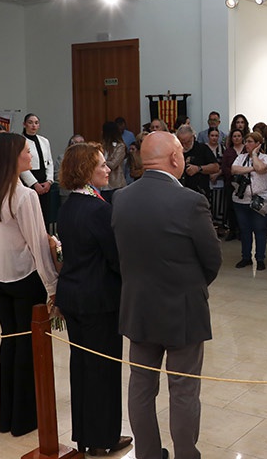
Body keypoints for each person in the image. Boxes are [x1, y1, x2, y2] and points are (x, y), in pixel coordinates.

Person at [112, 132, 222, 459]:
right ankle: (186, 454)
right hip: (182, 309)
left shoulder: (122, 197)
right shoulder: (190, 201)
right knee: (184, 389)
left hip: (138, 306)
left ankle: (147, 453)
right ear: (175, 158)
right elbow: (212, 260)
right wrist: (189, 286)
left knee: (141, 386)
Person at [0, 132, 59, 437]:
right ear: (13, 158)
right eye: (26, 151)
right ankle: (24, 418)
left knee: (10, 341)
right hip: (23, 277)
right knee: (27, 345)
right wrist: (52, 285)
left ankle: (9, 417)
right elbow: (37, 244)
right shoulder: (24, 195)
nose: (31, 156)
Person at [56, 143, 132, 457]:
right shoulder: (99, 209)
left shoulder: (68, 205)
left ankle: (86, 435)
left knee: (83, 367)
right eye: (101, 164)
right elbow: (115, 257)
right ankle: (104, 437)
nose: (107, 169)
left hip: (73, 296)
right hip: (99, 300)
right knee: (104, 370)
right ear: (86, 170)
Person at [230, 132, 267, 270]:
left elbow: (261, 168)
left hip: (260, 199)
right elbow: (234, 169)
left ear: (258, 144)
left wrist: (254, 155)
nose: (246, 144)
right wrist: (252, 168)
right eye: (246, 141)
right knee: (244, 230)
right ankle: (246, 257)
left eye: (250, 142)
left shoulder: (265, 158)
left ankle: (260, 258)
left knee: (260, 229)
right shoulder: (241, 157)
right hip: (240, 200)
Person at [19, 113, 55, 227]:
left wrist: (49, 181)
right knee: (32, 214)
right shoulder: (20, 141)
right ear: (24, 124)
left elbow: (49, 162)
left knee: (45, 214)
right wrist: (34, 184)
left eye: (36, 123)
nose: (33, 125)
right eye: (30, 123)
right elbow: (21, 165)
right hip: (30, 180)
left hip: (44, 180)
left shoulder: (44, 141)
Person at [177, 125, 220, 198]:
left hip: (199, 192)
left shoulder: (202, 148)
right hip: (181, 192)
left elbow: (215, 167)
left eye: (187, 142)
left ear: (193, 137)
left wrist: (198, 169)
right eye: (181, 142)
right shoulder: (176, 150)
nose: (184, 145)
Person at [220, 129, 246, 241]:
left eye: (239, 136)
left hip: (245, 183)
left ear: (242, 137)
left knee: (243, 208)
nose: (236, 138)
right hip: (230, 182)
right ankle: (232, 230)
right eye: (234, 136)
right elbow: (224, 166)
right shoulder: (228, 151)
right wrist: (233, 173)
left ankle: (242, 230)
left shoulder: (246, 150)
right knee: (231, 207)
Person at [100, 121, 127, 203]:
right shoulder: (101, 145)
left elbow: (113, 164)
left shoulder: (120, 146)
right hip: (103, 184)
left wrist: (101, 162)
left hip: (115, 184)